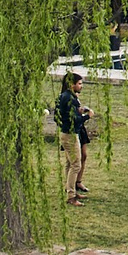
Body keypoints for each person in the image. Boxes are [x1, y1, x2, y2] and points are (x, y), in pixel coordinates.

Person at [56, 71, 92, 203]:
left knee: (69, 163)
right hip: (70, 134)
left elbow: (61, 116)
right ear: (72, 85)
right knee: (76, 165)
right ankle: (71, 196)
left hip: (66, 132)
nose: (81, 86)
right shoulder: (69, 98)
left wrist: (79, 112)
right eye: (79, 83)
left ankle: (70, 190)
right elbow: (74, 120)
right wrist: (87, 116)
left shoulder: (65, 96)